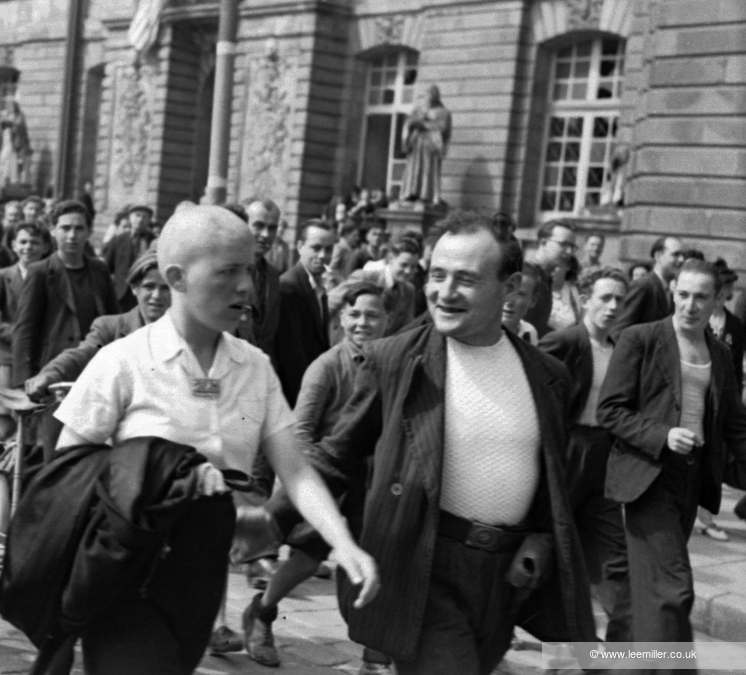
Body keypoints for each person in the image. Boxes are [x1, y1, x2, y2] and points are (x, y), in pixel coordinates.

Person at [245, 210, 595, 673]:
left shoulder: (547, 375)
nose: (444, 293)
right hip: (422, 564)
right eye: (437, 275)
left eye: (465, 280)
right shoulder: (393, 361)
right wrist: (268, 521)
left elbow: (552, 473)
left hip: (504, 578)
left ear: (510, 289)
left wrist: (541, 538)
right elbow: (336, 456)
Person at [45, 205, 378, 674]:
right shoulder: (123, 362)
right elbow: (68, 471)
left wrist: (342, 543)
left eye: (249, 269)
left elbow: (296, 469)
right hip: (127, 578)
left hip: (203, 583)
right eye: (228, 271)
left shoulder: (254, 367)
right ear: (177, 277)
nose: (246, 286)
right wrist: (161, 482)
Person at [242, 280, 392, 672]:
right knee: (307, 562)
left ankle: (374, 658)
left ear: (387, 320)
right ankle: (262, 612)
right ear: (342, 317)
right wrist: (311, 491)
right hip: (324, 478)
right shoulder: (326, 367)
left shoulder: (393, 365)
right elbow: (301, 432)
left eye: (373, 315)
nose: (363, 323)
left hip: (371, 486)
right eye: (355, 314)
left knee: (373, 566)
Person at [597, 259, 746, 656]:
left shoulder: (720, 354)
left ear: (716, 300)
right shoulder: (640, 339)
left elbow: (735, 425)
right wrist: (663, 435)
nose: (689, 305)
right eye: (682, 294)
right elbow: (610, 410)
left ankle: (616, 663)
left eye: (701, 297)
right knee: (673, 589)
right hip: (648, 477)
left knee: (638, 589)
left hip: (691, 480)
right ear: (672, 293)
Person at [539, 266, 632, 643]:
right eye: (604, 298)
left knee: (615, 559)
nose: (612, 307)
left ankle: (625, 651)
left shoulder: (621, 349)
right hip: (566, 453)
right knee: (550, 548)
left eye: (619, 300)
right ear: (586, 298)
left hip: (603, 456)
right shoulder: (564, 341)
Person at [12, 200, 118, 457]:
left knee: (92, 448)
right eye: (65, 228)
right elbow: (24, 331)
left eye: (79, 228)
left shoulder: (99, 270)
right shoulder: (40, 272)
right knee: (55, 451)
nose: (72, 235)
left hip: (94, 374)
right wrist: (24, 385)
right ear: (53, 230)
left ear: (89, 231)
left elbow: (113, 320)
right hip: (54, 379)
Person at [25, 249, 168, 403]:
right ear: (134, 288)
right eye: (149, 287)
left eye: (165, 288)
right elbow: (83, 354)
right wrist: (51, 374)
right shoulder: (111, 330)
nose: (156, 296)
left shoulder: (187, 332)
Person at [0, 223, 50, 441]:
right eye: (23, 242)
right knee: (5, 425)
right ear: (13, 245)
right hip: (7, 358)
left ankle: (22, 473)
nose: (28, 247)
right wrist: (18, 336)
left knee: (32, 428)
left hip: (40, 360)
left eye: (35, 242)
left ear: (45, 247)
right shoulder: (2, 276)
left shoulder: (51, 277)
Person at [694, 258, 746, 541]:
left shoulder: (735, 325)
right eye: (723, 286)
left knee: (713, 459)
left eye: (729, 287)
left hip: (722, 400)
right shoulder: (696, 321)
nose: (727, 292)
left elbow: (736, 367)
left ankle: (707, 517)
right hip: (695, 395)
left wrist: (735, 402)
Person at [275, 219, 336, 406]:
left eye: (329, 249)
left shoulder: (318, 285)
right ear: (300, 246)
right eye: (316, 248)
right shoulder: (288, 286)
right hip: (296, 395)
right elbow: (291, 355)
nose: (323, 255)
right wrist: (309, 400)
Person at [611, 235, 684, 337]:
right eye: (675, 254)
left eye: (682, 255)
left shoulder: (670, 290)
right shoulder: (643, 286)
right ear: (658, 256)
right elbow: (618, 330)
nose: (681, 259)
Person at [239, 197, 282, 361]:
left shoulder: (272, 275)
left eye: (272, 228)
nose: (266, 235)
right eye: (258, 226)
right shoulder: (224, 270)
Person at [401, 84, 452, 206]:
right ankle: (410, 193)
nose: (428, 97)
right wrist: (411, 124)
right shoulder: (418, 110)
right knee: (413, 168)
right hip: (416, 143)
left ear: (436, 96)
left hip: (431, 145)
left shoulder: (443, 112)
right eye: (426, 94)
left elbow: (444, 128)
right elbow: (408, 124)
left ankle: (426, 195)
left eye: (431, 94)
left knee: (428, 169)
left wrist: (424, 125)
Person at [525, 219, 577, 337]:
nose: (569, 252)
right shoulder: (528, 277)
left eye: (572, 246)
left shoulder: (546, 278)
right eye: (563, 244)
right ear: (543, 243)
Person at [102, 203, 154, 310]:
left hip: (145, 293)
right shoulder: (117, 240)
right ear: (130, 218)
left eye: (144, 217)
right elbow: (106, 269)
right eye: (137, 216)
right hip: (121, 293)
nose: (140, 220)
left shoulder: (154, 241)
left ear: (149, 220)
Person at [501, 262, 541, 345]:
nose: (509, 301)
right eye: (508, 290)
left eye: (520, 294)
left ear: (533, 301)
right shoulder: (475, 330)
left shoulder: (529, 334)